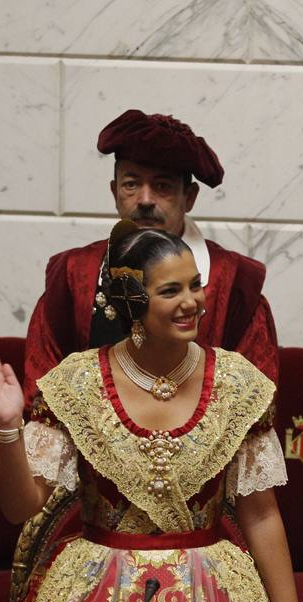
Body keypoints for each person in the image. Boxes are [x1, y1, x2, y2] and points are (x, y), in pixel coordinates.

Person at [0, 221, 303, 602]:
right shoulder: (76, 383)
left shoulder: (237, 384)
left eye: (195, 285)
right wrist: (8, 426)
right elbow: (21, 507)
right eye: (171, 290)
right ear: (131, 303)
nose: (192, 302)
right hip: (97, 598)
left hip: (211, 601)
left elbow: (260, 515)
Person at [22, 108, 279, 406]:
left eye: (162, 186)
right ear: (114, 191)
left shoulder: (235, 284)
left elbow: (255, 404)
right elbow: (42, 393)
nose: (144, 200)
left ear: (190, 197)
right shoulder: (73, 273)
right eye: (131, 184)